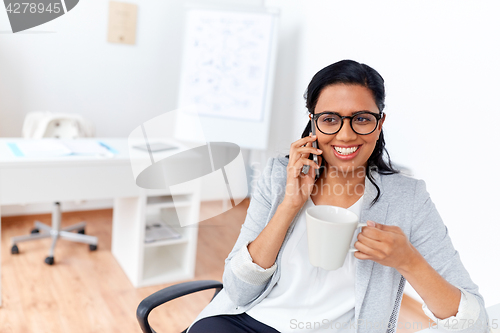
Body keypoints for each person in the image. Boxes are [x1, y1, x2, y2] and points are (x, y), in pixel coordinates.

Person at [187, 60, 490, 333]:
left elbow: (475, 323)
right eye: (330, 119)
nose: (345, 135)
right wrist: (290, 203)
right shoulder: (279, 176)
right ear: (313, 121)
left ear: (379, 123)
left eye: (361, 118)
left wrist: (408, 261)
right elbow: (238, 292)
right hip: (251, 321)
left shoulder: (407, 198)